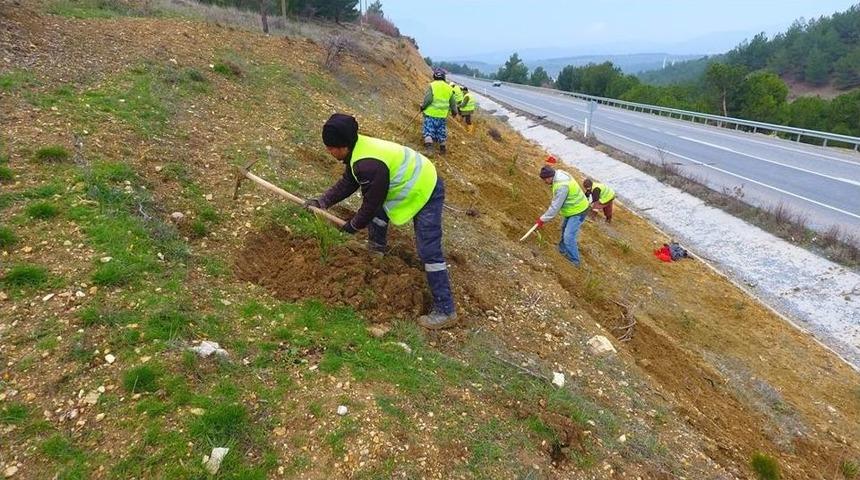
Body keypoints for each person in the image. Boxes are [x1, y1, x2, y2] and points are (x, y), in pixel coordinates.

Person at [305, 113, 457, 329]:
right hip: (409, 183)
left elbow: (370, 202)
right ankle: (376, 249)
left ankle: (446, 310)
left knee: (428, 251)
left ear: (344, 145)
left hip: (425, 188)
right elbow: (349, 182)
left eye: (331, 147)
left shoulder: (367, 164)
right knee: (378, 211)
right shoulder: (357, 150)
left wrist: (353, 226)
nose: (329, 151)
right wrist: (322, 202)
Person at [535, 166, 590, 267]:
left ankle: (575, 261)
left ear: (550, 177)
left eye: (545, 180)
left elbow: (555, 207)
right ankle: (561, 250)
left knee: (568, 236)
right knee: (564, 229)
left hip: (579, 211)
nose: (544, 182)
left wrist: (542, 220)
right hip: (573, 209)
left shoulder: (561, 187)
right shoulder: (559, 173)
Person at [419, 68, 458, 155]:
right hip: (442, 116)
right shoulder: (449, 88)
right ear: (444, 77)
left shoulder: (432, 85)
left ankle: (429, 150)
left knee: (428, 131)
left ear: (434, 76)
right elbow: (453, 103)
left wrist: (423, 107)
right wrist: (454, 112)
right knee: (441, 132)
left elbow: (428, 99)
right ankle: (443, 149)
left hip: (430, 114)